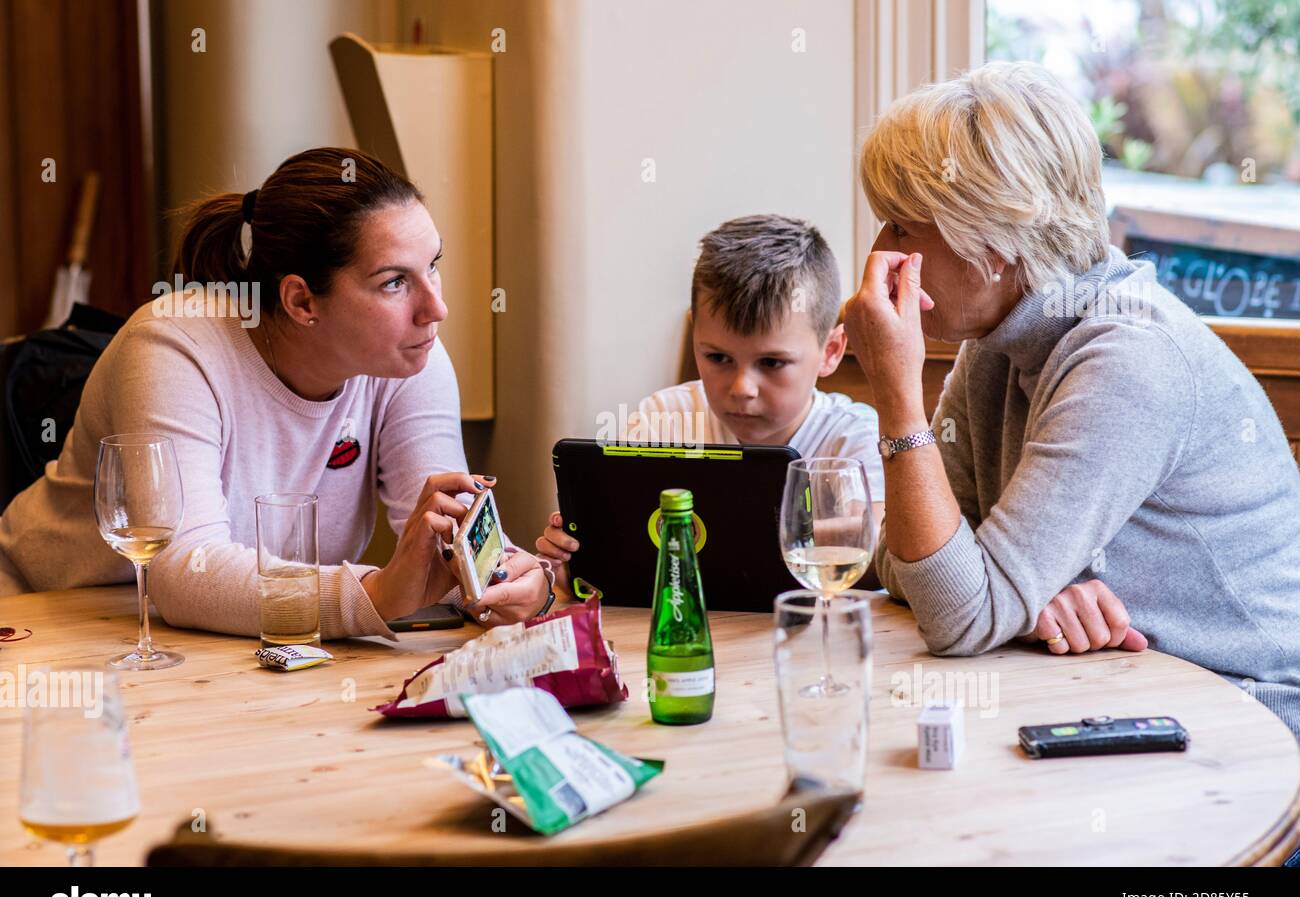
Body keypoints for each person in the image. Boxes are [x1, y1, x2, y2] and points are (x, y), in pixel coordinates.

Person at [843, 61, 1300, 735]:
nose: (881, 253)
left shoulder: (1131, 359)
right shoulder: (999, 342)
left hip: (1249, 721)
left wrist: (895, 394)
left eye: (902, 228)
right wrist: (1022, 599)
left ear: (992, 241)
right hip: (1117, 688)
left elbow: (960, 614)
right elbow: (902, 563)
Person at [0, 147, 551, 635]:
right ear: (301, 302)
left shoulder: (409, 356)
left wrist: (508, 584)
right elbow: (187, 570)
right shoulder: (171, 346)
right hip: (50, 619)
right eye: (394, 282)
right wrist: (377, 593)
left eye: (433, 266)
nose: (436, 308)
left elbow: (443, 550)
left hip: (228, 637)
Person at [538, 214, 887, 587]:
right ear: (696, 338)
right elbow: (622, 554)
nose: (742, 388)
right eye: (718, 358)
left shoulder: (854, 437)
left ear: (831, 351)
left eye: (771, 362)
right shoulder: (663, 419)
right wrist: (574, 562)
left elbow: (878, 550)